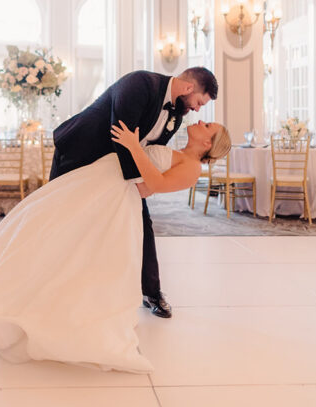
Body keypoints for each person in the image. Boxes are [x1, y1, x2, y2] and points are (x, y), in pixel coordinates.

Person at [0, 118, 232, 373]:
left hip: (113, 198)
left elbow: (155, 183)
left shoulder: (193, 168)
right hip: (101, 181)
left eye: (207, 125)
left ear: (208, 143)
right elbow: (148, 181)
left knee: (83, 252)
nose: (200, 120)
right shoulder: (178, 152)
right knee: (49, 229)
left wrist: (135, 148)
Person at [48, 67, 218, 318]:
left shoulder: (176, 117)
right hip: (79, 154)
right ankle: (50, 279)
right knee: (58, 219)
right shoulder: (140, 83)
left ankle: (152, 291)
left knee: (142, 223)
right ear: (190, 88)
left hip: (118, 171)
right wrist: (139, 185)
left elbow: (150, 153)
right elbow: (120, 135)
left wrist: (143, 187)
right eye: (199, 102)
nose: (197, 109)